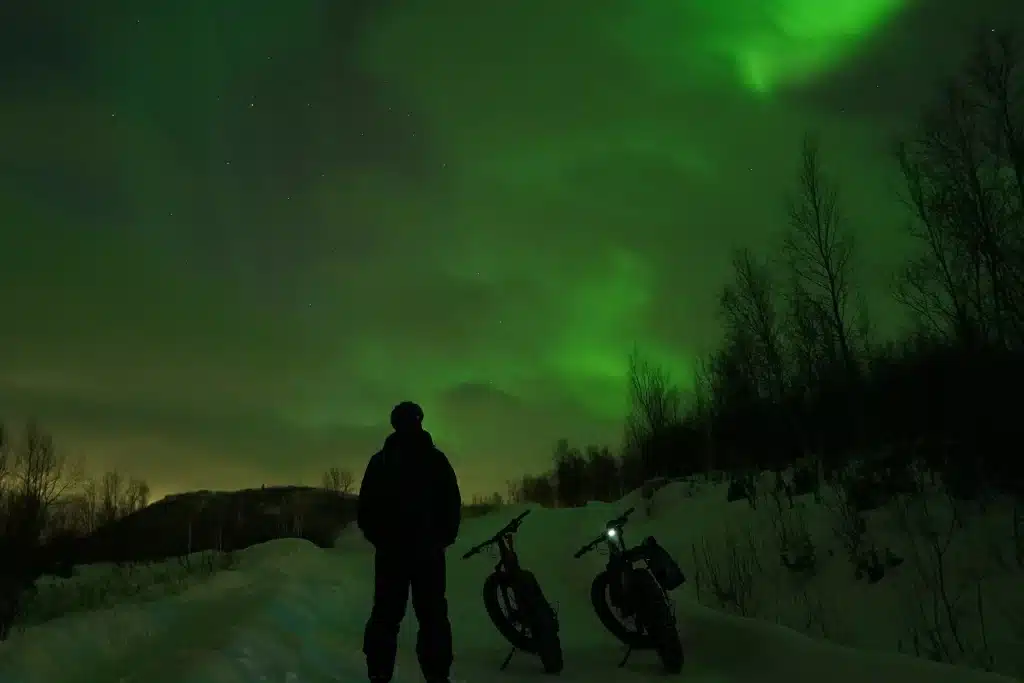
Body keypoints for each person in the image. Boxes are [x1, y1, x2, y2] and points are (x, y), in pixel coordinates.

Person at [357, 401, 462, 683]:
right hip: (426, 554)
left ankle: (380, 675)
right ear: (420, 421)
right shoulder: (436, 460)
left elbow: (365, 510)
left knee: (386, 617)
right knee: (432, 617)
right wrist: (441, 539)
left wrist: (381, 540)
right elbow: (452, 505)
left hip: (393, 555)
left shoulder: (380, 462)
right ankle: (437, 676)